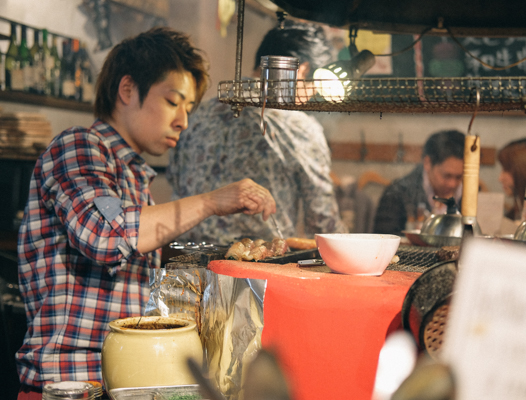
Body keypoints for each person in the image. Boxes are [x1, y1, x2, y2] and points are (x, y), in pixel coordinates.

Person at [16, 27, 277, 398]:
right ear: (127, 90)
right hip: (70, 387)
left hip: (121, 381)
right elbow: (109, 235)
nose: (183, 122)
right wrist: (209, 201)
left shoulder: (132, 177)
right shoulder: (79, 147)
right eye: (173, 102)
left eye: (188, 109)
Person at [167, 21, 346, 245]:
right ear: (303, 70)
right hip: (255, 266)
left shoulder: (191, 116)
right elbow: (322, 221)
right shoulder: (299, 127)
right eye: (315, 88)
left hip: (183, 261)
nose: (310, 98)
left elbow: (174, 179)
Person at [373, 130, 465, 235]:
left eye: (459, 177)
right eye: (446, 176)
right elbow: (383, 240)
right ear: (427, 163)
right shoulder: (397, 193)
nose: (452, 184)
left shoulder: (473, 196)